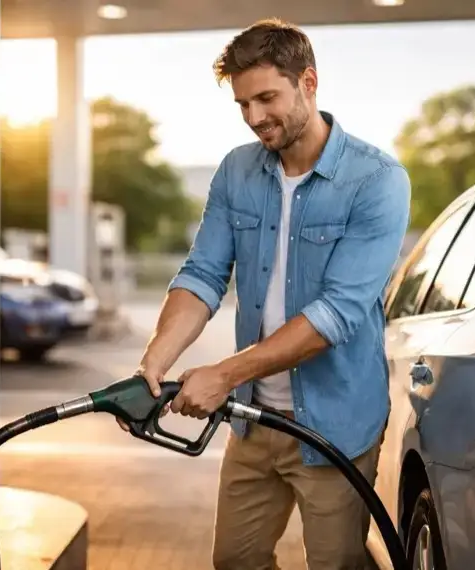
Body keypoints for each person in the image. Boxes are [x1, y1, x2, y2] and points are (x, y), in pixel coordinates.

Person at [118, 17, 411, 570]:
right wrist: (153, 363)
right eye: (243, 104)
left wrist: (224, 375)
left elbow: (336, 314)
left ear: (309, 82)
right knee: (236, 561)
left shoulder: (376, 181)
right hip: (252, 420)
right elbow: (203, 273)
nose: (254, 118)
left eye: (267, 99)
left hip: (335, 426)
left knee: (335, 565)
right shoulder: (237, 171)